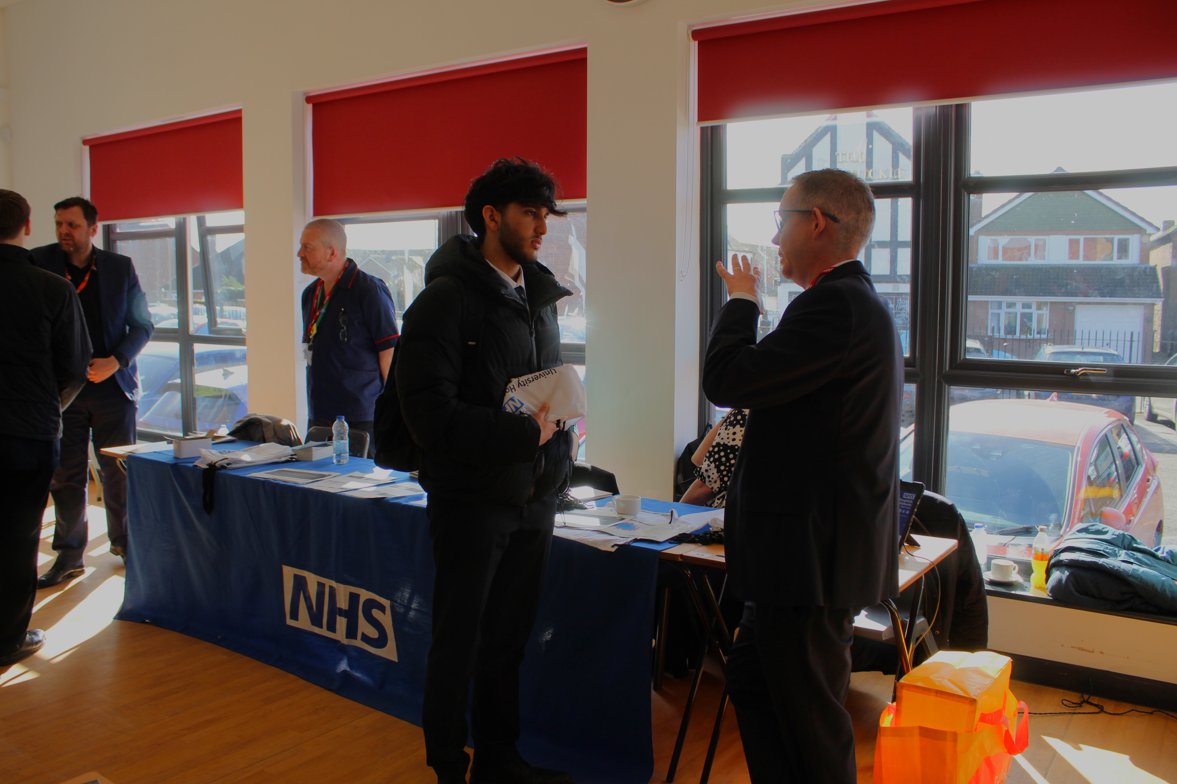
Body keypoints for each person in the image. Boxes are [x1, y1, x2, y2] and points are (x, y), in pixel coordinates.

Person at [701, 168, 902, 783]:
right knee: (754, 681)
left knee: (811, 718)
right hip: (799, 555)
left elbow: (729, 379)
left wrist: (741, 302)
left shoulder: (835, 306)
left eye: (781, 219)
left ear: (817, 221)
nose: (776, 236)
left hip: (808, 559)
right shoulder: (849, 304)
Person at [396, 158, 577, 784]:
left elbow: (542, 387)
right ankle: (449, 764)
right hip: (472, 500)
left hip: (534, 497)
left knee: (507, 641)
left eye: (547, 214)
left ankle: (500, 760)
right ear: (490, 216)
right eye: (530, 212)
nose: (542, 226)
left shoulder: (539, 298)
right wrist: (525, 433)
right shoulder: (444, 301)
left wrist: (556, 451)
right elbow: (428, 416)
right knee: (460, 642)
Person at [35, 197, 152, 587]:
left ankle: (125, 545)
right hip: (62, 391)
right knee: (66, 476)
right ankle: (69, 556)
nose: (63, 231)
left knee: (117, 472)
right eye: (58, 224)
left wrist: (115, 361)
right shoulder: (40, 263)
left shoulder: (119, 268)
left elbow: (142, 326)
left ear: (92, 228)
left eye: (71, 224)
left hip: (112, 387)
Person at [0, 189, 90, 665]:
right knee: (19, 535)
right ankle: (9, 638)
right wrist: (46, 405)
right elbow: (77, 366)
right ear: (28, 226)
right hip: (29, 432)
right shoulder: (52, 288)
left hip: (28, 423)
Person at [299, 218, 399, 455]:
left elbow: (389, 353)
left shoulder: (368, 290)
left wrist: (393, 409)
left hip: (361, 415)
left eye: (307, 247)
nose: (299, 253)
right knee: (316, 486)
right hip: (320, 413)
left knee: (356, 487)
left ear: (332, 252)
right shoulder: (310, 294)